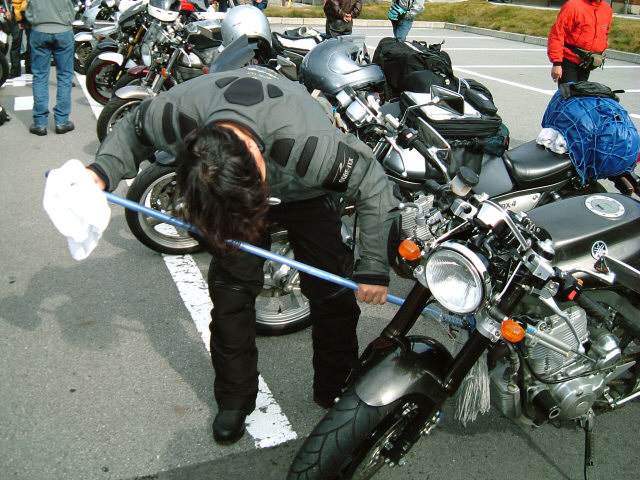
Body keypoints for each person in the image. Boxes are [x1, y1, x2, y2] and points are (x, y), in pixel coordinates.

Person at [81, 68, 399, 445]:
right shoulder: (178, 116)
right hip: (232, 196)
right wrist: (100, 171)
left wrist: (374, 269)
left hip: (304, 193)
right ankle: (234, 399)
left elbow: (373, 185)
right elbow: (134, 128)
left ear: (253, 152)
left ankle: (335, 385)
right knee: (230, 295)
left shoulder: (311, 149)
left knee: (331, 292)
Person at [25, 0, 75, 136]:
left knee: (40, 76)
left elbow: (28, 8)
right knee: (65, 76)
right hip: (63, 29)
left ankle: (40, 123)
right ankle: (62, 121)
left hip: (39, 30)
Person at [547, 0, 612, 85]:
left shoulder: (606, 9)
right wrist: (557, 63)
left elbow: (604, 33)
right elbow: (557, 34)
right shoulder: (573, 6)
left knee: (582, 92)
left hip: (587, 63)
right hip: (569, 61)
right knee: (569, 92)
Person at [9, 0, 29, 78]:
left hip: (26, 10)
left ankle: (28, 67)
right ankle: (16, 70)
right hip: (17, 10)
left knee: (31, 42)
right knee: (16, 42)